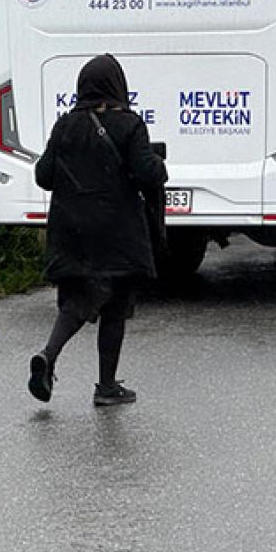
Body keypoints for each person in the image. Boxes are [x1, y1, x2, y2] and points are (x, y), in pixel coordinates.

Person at [28, 54, 167, 407]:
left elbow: (43, 176)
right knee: (116, 306)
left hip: (71, 229)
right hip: (116, 230)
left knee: (77, 300)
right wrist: (160, 164)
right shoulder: (129, 125)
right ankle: (105, 386)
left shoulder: (65, 126)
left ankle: (49, 354)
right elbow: (146, 172)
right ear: (117, 85)